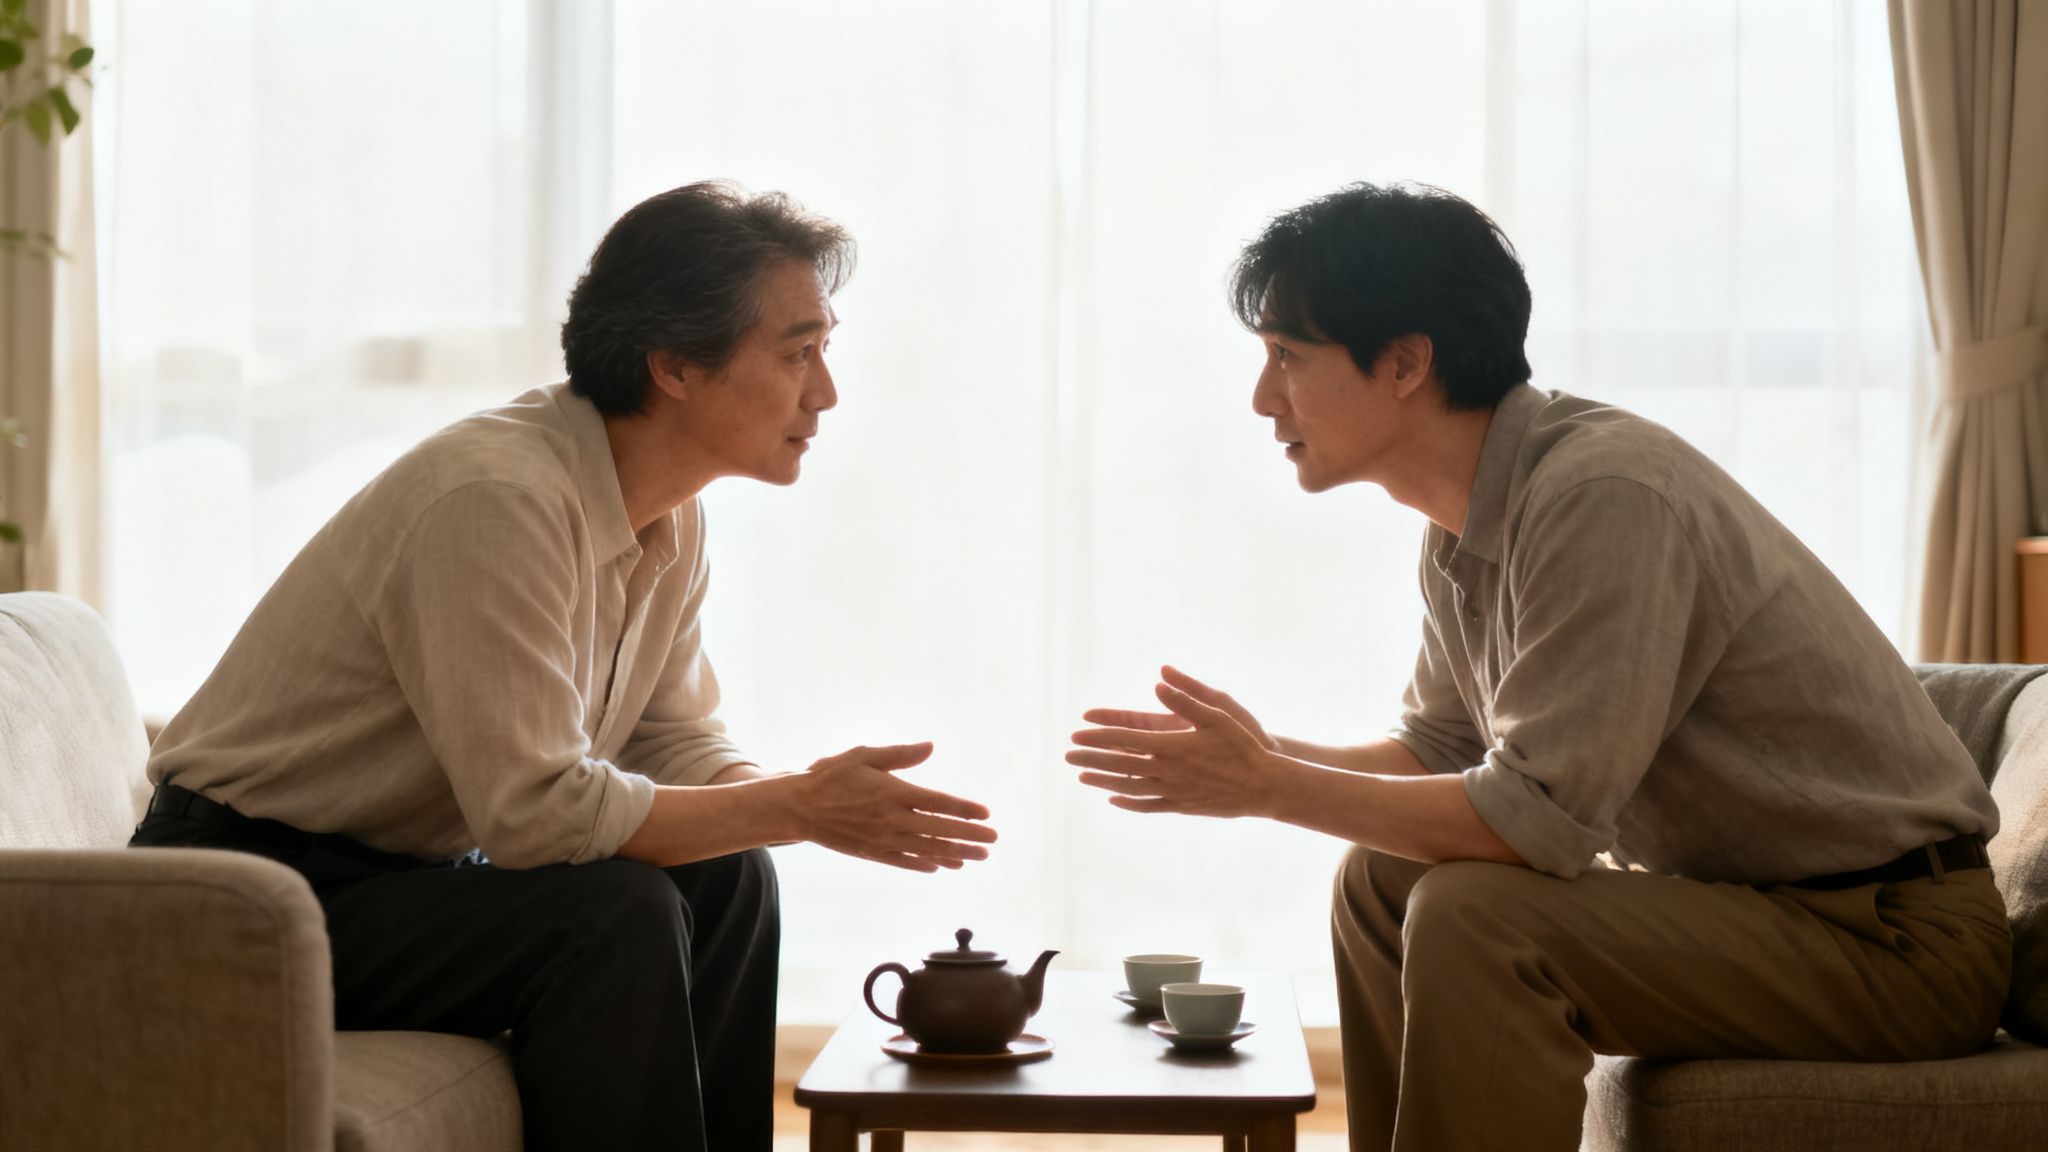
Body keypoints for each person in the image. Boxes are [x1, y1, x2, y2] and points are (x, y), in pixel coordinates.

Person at [1068, 182, 2008, 1152]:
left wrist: (1265, 788)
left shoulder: (1603, 497)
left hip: (1893, 947)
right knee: (1382, 877)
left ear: (1402, 364)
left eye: (1285, 358)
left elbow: (1531, 825)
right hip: (1765, 916)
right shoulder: (1464, 523)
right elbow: (1441, 751)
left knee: (1479, 917)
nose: (1262, 398)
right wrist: (1262, 757)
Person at [132, 181, 1000, 1152]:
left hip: (395, 885)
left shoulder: (667, 509)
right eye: (797, 353)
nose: (824, 392)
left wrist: (791, 801)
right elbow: (536, 816)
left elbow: (669, 737)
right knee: (611, 917)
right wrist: (800, 805)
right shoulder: (494, 501)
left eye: (824, 350)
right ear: (674, 367)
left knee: (732, 875)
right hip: (237, 902)